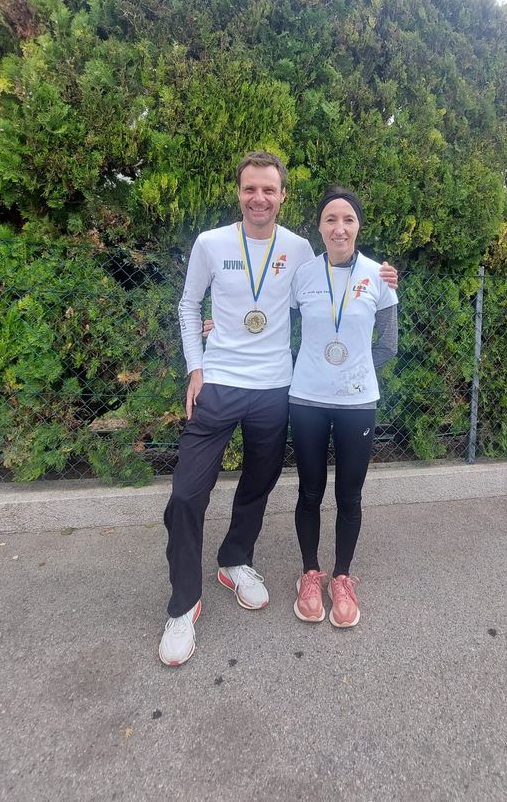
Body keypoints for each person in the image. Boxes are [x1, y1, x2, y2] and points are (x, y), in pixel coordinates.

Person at [159, 153, 397, 666]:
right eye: (251, 189)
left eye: (269, 189)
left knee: (258, 484)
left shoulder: (298, 249)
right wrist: (195, 367)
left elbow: (324, 300)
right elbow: (188, 305)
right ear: (239, 192)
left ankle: (235, 560)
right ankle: (182, 605)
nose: (260, 198)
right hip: (218, 383)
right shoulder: (210, 244)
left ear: (283, 195)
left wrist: (382, 280)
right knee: (185, 494)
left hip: (275, 388)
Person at [290, 188, 398, 628]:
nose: (339, 227)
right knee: (310, 491)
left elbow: (388, 345)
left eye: (348, 219)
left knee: (349, 495)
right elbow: (275, 329)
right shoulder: (302, 276)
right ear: (319, 226)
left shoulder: (379, 277)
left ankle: (342, 577)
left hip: (357, 404)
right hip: (307, 401)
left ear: (358, 226)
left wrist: (352, 371)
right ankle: (310, 575)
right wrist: (221, 326)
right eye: (330, 219)